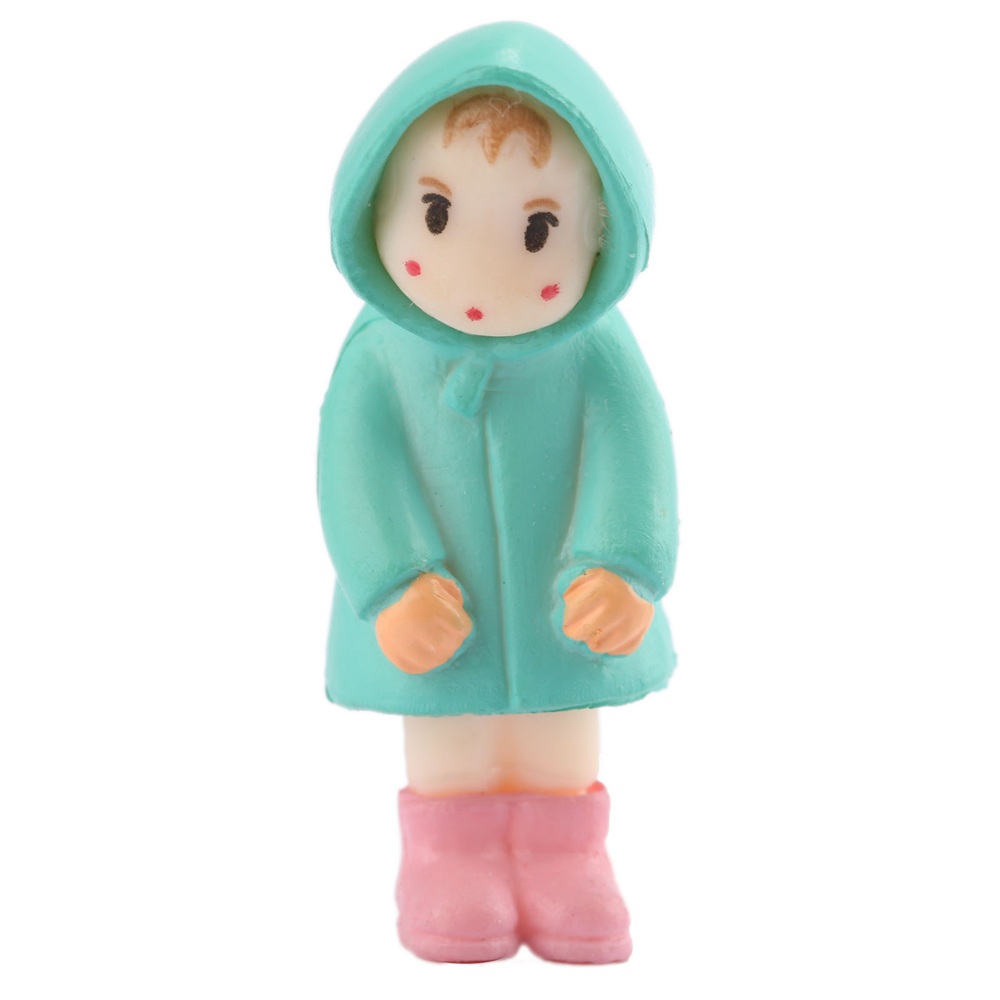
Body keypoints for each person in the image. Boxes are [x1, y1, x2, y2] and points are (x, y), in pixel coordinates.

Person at [320, 22, 678, 964]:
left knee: (559, 742)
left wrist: (624, 566)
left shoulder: (596, 349)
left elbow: (635, 454)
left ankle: (567, 859)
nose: (481, 279)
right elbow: (356, 469)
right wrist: (392, 582)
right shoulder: (379, 354)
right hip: (441, 608)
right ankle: (447, 858)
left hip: (566, 607)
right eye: (437, 214)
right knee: (452, 738)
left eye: (536, 232)